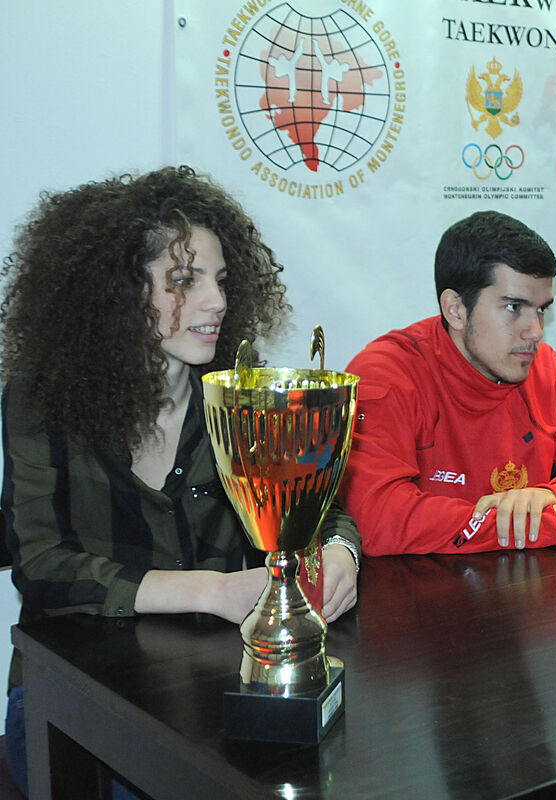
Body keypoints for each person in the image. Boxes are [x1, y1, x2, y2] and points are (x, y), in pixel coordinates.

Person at [0, 166, 361, 795]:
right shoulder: (41, 401)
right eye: (185, 281)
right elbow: (41, 563)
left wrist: (339, 556)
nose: (216, 301)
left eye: (220, 280)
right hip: (72, 694)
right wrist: (212, 592)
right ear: (117, 293)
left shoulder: (243, 397)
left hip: (212, 683)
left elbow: (321, 509)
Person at [339, 210, 556, 555]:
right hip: (423, 588)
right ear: (455, 310)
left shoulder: (545, 369)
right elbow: (378, 518)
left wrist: (552, 496)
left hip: (527, 584)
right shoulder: (387, 374)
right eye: (513, 307)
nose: (535, 331)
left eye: (541, 309)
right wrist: (543, 524)